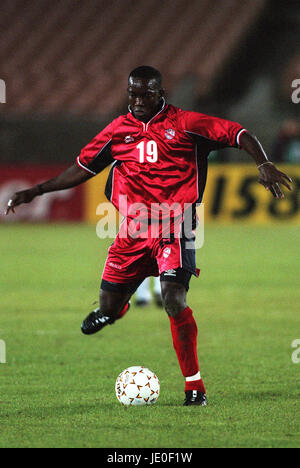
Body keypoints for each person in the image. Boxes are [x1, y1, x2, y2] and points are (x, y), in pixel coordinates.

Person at [6, 66, 293, 406]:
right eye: (133, 94)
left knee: (173, 298)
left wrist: (262, 164)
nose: (139, 100)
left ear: (161, 94)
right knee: (107, 307)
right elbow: (81, 169)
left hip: (176, 225)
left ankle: (194, 386)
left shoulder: (186, 124)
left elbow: (240, 133)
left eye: (146, 94)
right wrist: (36, 191)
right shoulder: (117, 131)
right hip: (132, 231)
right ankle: (116, 309)